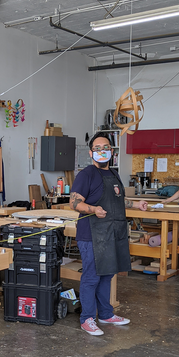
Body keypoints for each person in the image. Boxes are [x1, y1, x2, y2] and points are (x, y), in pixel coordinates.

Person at [69, 131, 148, 336]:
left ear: (112, 152)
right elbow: (74, 202)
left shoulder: (113, 174)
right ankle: (87, 318)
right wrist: (93, 209)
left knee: (107, 275)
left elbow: (118, 201)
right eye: (97, 148)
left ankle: (105, 314)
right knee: (92, 276)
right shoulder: (86, 174)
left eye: (105, 148)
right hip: (92, 235)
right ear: (91, 153)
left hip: (112, 233)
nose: (101, 151)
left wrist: (136, 203)